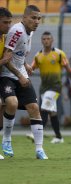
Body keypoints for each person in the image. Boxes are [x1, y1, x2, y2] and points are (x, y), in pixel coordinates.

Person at [0, 5, 48, 159]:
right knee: (11, 103)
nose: (37, 21)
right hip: (7, 75)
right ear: (24, 18)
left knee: (34, 107)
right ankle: (7, 139)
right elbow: (6, 59)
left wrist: (25, 64)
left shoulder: (30, 32)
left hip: (20, 72)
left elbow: (18, 54)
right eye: (33, 18)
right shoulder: (16, 31)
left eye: (39, 18)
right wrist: (19, 75)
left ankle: (40, 149)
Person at [26, 31, 71, 144]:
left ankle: (37, 134)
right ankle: (58, 137)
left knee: (44, 109)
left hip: (55, 87)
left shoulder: (59, 54)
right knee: (52, 113)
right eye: (44, 39)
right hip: (44, 88)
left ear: (52, 40)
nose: (46, 41)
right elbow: (31, 69)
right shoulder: (38, 55)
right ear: (41, 41)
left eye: (48, 39)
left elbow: (69, 70)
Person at [0, 7, 13, 160]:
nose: (8, 26)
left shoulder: (4, 38)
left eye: (10, 22)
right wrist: (3, 61)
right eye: (5, 22)